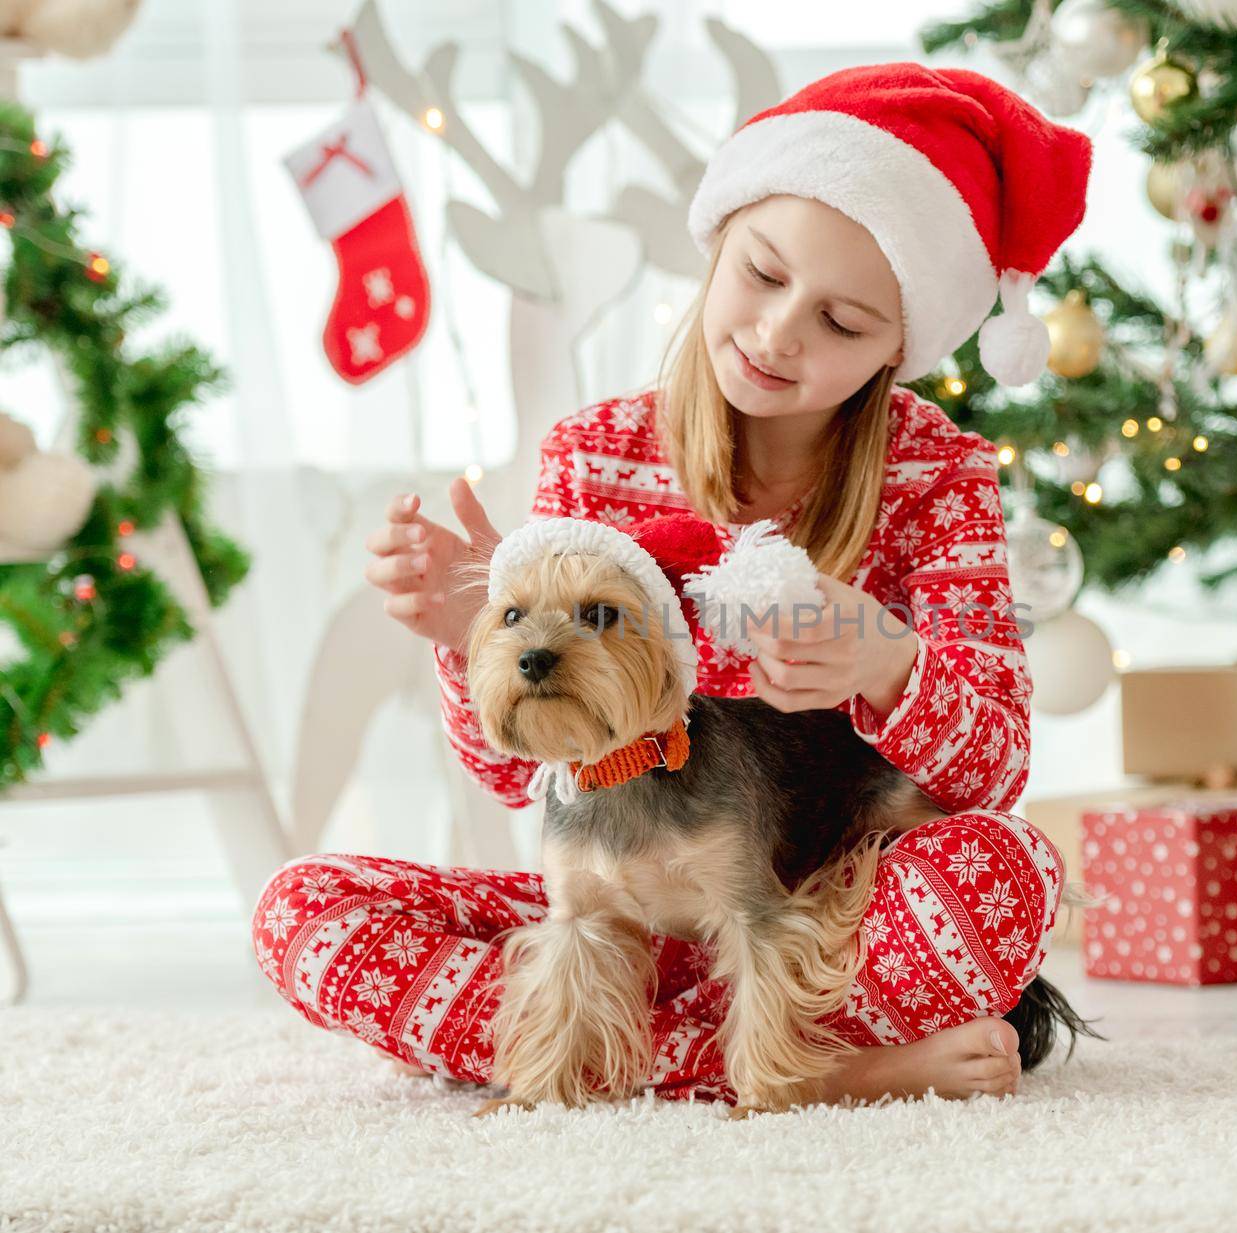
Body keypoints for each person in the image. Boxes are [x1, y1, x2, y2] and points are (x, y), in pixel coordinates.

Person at [254, 61, 1093, 1106]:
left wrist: (886, 660)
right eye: (763, 272)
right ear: (715, 245)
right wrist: (469, 635)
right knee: (302, 908)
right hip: (628, 891)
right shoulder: (597, 452)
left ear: (899, 351)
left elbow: (994, 767)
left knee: (1002, 870)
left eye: (843, 324)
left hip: (831, 899)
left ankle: (626, 1054)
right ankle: (806, 1067)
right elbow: (520, 777)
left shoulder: (940, 476)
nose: (781, 330)